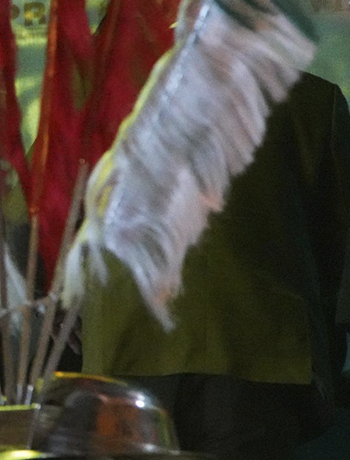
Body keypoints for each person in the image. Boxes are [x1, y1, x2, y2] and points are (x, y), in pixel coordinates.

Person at [80, 72, 350, 460]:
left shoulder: (93, 89)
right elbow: (335, 245)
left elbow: (37, 210)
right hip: (260, 348)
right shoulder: (313, 99)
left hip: (126, 341)